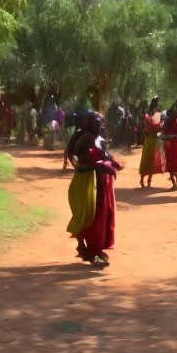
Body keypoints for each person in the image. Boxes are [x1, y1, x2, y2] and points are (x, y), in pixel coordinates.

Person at [65, 111, 122, 267]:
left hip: (104, 183)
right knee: (89, 215)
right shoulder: (82, 140)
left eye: (101, 123)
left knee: (104, 217)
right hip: (87, 181)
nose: (100, 126)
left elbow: (106, 156)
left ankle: (95, 248)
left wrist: (114, 163)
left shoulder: (100, 140)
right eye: (97, 123)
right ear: (88, 124)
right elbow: (77, 163)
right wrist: (97, 168)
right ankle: (91, 252)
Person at [160, 96, 177, 191]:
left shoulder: (167, 122)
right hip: (174, 144)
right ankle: (175, 184)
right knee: (175, 164)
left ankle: (174, 184)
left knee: (171, 165)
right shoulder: (175, 122)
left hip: (170, 144)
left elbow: (163, 134)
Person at [138, 96, 166, 188]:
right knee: (152, 159)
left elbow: (143, 127)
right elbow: (158, 128)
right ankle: (148, 180)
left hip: (148, 139)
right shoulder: (157, 114)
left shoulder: (146, 115)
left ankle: (142, 179)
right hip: (153, 139)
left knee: (146, 158)